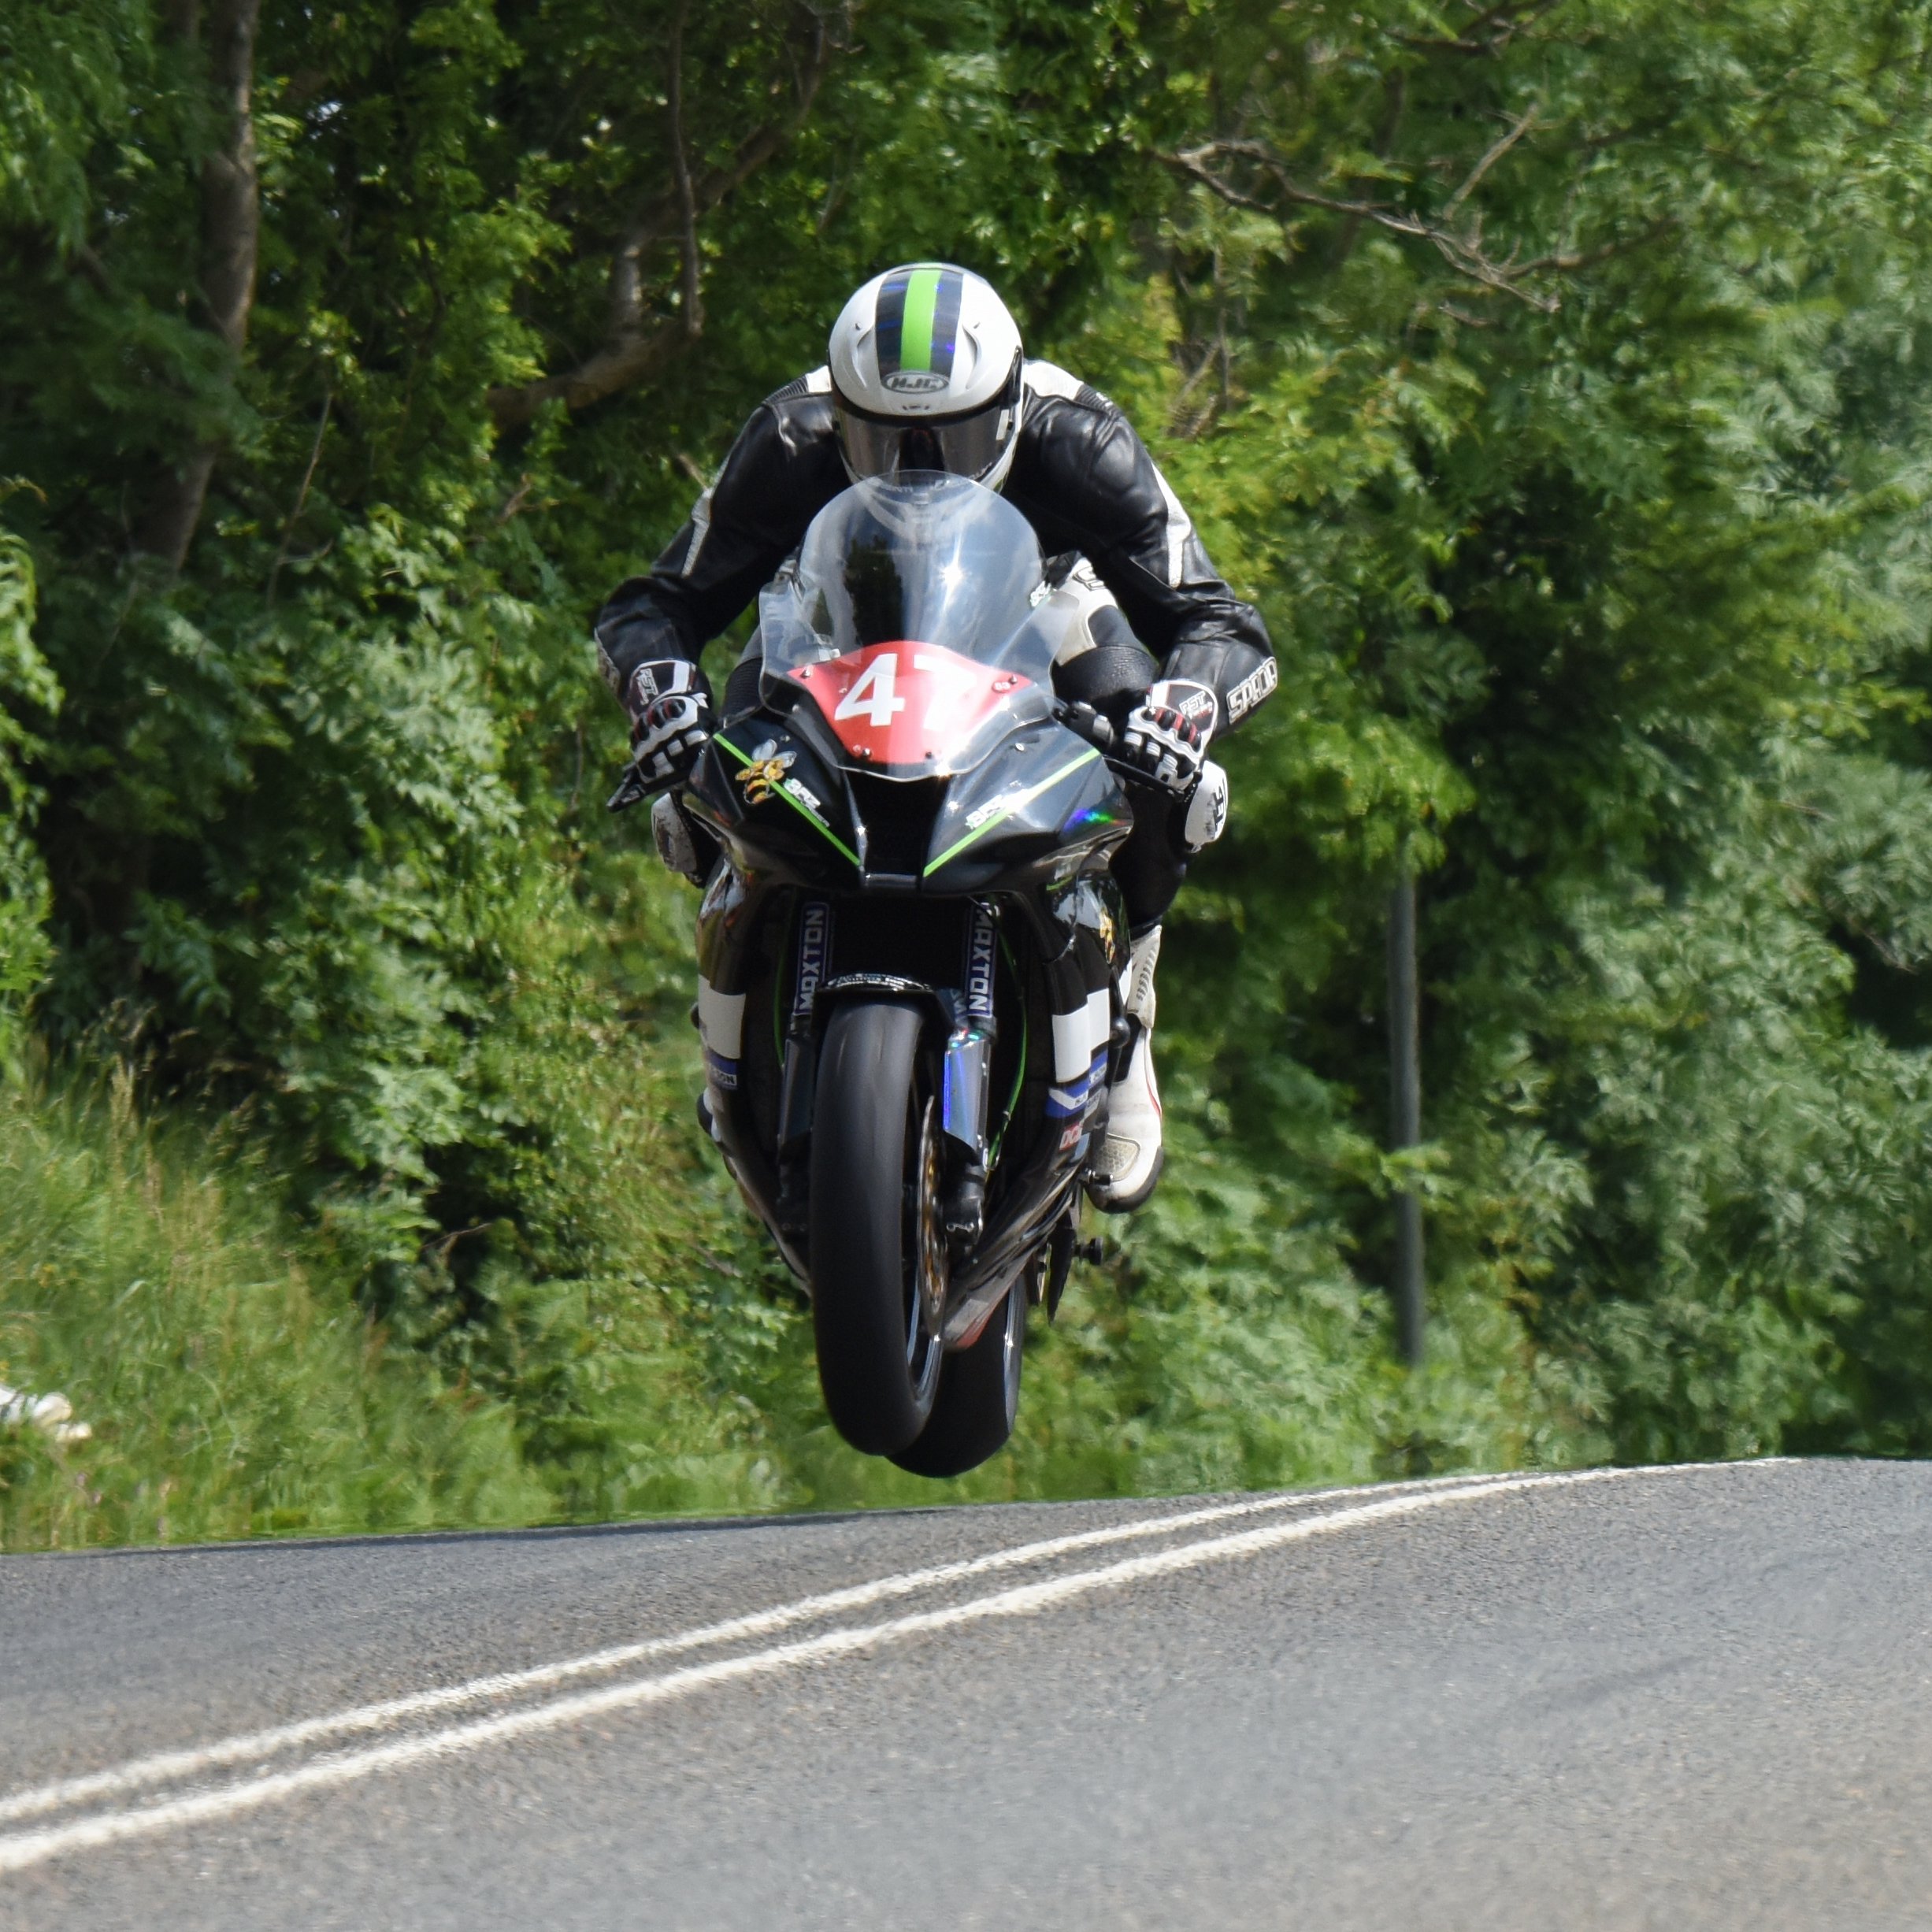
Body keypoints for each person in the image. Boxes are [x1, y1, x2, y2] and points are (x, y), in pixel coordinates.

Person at [594, 262, 1277, 1211]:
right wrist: (660, 685)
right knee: (706, 766)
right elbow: (656, 602)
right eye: (881, 436)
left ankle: (1126, 1015)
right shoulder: (791, 436)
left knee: (1154, 740)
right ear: (839, 415)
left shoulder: (1080, 440)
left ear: (1004, 410)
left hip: (1034, 619)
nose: (917, 461)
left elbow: (1220, 620)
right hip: (837, 622)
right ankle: (739, 1006)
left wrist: (1185, 707)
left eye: (949, 436)